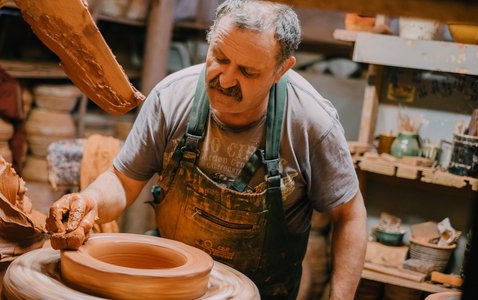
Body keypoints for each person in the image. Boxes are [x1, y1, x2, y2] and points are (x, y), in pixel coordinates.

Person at [46, 0, 367, 298]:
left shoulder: (310, 122)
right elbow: (123, 181)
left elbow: (349, 216)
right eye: (220, 58)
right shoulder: (172, 98)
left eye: (247, 72)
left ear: (280, 70)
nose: (225, 80)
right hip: (171, 284)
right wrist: (90, 200)